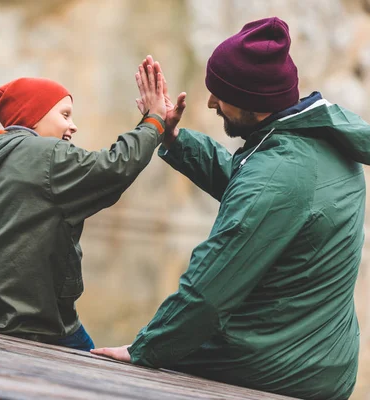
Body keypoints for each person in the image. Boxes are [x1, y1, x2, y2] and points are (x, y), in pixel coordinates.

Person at [92, 17, 367, 399]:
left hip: (270, 369)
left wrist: (146, 349)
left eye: (220, 94)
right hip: (325, 364)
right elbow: (257, 193)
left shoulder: (277, 173)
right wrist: (175, 138)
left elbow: (207, 292)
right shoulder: (321, 141)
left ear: (252, 102)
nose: (209, 102)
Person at [0, 60, 186, 351]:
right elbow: (115, 167)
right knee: (96, 371)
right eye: (65, 114)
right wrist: (153, 121)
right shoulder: (47, 154)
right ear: (33, 116)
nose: (73, 125)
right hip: (32, 325)